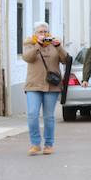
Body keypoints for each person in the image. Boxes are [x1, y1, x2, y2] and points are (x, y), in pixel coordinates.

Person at [22, 21, 68, 155]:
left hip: (51, 86)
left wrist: (59, 46)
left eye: (45, 32)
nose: (43, 34)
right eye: (40, 32)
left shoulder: (54, 44)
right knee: (32, 114)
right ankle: (35, 144)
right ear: (35, 33)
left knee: (48, 116)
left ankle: (49, 144)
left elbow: (65, 59)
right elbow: (27, 57)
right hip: (33, 85)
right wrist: (38, 45)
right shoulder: (29, 43)